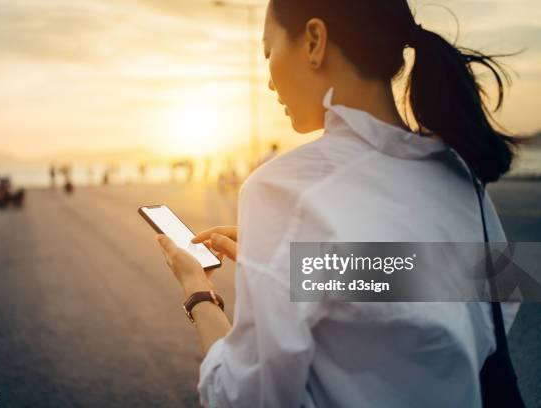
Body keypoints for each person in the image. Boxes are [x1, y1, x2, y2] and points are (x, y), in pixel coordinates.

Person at [155, 1, 522, 406]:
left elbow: (240, 397)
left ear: (314, 41)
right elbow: (493, 302)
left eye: (268, 51)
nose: (270, 82)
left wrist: (197, 290)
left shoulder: (284, 189)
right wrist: (305, 269)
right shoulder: (458, 173)